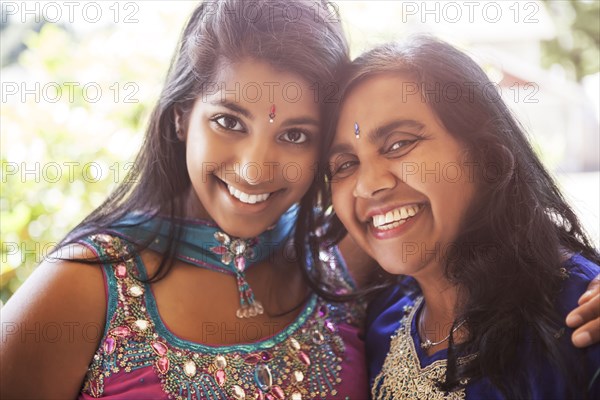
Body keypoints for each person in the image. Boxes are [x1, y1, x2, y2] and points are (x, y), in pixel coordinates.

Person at [0, 1, 369, 398]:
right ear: (182, 116)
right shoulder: (82, 284)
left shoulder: (346, 254)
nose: (255, 170)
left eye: (295, 135)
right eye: (229, 122)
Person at [319, 35, 600, 399]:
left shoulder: (582, 323)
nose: (367, 185)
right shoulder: (380, 320)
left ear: (486, 156)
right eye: (345, 164)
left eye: (399, 144)